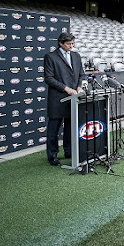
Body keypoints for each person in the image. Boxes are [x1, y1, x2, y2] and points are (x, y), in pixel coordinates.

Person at [43, 31, 86, 166]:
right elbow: (49, 78)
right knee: (53, 130)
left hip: (73, 100)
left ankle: (69, 151)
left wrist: (79, 86)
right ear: (60, 43)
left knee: (70, 128)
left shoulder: (76, 56)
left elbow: (81, 75)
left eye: (73, 43)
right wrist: (66, 88)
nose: (71, 46)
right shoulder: (50, 57)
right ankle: (52, 155)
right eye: (68, 44)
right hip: (57, 99)